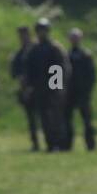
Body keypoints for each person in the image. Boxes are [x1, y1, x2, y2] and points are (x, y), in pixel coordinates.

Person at [25, 17, 70, 151]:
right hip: (40, 88)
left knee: (56, 117)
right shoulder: (34, 50)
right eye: (39, 30)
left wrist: (56, 88)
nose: (41, 33)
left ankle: (60, 143)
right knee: (44, 117)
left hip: (53, 88)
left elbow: (60, 68)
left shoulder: (55, 48)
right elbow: (30, 70)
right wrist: (29, 86)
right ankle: (50, 143)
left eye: (43, 30)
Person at [65, 27, 97, 151]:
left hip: (83, 93)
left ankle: (91, 144)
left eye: (76, 37)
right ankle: (67, 144)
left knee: (87, 120)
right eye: (72, 37)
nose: (74, 40)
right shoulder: (65, 55)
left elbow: (92, 75)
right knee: (67, 120)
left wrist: (88, 90)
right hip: (69, 93)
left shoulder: (86, 55)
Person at [10, 25, 39, 151]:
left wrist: (56, 87)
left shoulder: (39, 49)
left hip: (41, 88)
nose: (23, 37)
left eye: (25, 34)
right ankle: (35, 142)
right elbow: (14, 72)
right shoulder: (19, 53)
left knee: (48, 116)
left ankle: (54, 142)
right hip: (26, 88)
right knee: (31, 118)